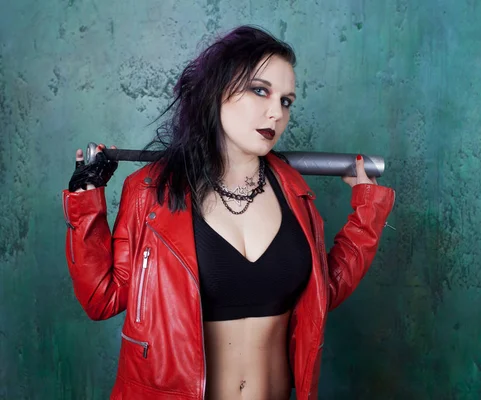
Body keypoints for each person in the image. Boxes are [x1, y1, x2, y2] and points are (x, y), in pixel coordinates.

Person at [62, 25, 395, 400]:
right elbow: (102, 298)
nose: (276, 113)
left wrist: (367, 213)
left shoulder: (296, 195)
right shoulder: (150, 192)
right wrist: (86, 202)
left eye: (286, 101)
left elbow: (322, 291)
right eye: (260, 90)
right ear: (217, 91)